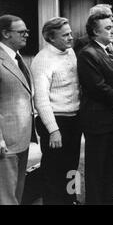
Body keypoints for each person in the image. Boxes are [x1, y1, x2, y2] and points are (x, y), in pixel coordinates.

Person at [77, 12, 113, 204]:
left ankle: (109, 199)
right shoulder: (88, 53)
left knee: (109, 164)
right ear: (94, 31)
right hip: (98, 120)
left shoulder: (106, 49)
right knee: (96, 167)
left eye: (112, 26)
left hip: (111, 118)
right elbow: (97, 86)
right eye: (108, 28)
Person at [30, 17, 81, 205]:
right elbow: (40, 99)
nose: (71, 37)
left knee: (73, 166)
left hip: (74, 119)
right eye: (65, 35)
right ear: (51, 38)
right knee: (53, 170)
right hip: (55, 122)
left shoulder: (70, 52)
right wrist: (53, 130)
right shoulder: (42, 60)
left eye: (70, 33)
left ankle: (72, 199)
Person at [0, 14, 36, 205]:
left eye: (27, 31)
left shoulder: (17, 57)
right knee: (6, 196)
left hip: (21, 138)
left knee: (17, 192)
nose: (27, 35)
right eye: (21, 32)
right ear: (6, 33)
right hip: (6, 143)